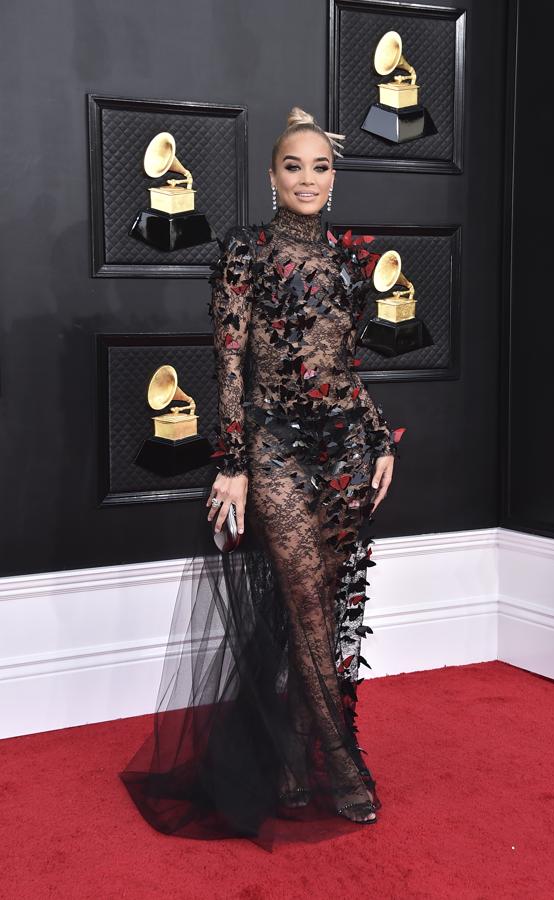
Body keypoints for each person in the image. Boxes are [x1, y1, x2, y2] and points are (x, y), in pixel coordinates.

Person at [119, 106, 404, 852]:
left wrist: (379, 438)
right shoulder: (243, 251)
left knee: (329, 602)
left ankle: (291, 761)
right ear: (272, 175)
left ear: (333, 179)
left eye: (320, 166)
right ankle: (340, 763)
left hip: (345, 447)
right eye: (293, 166)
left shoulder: (346, 260)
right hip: (276, 449)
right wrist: (235, 467)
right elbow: (232, 366)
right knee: (305, 601)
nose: (307, 178)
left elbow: (346, 366)